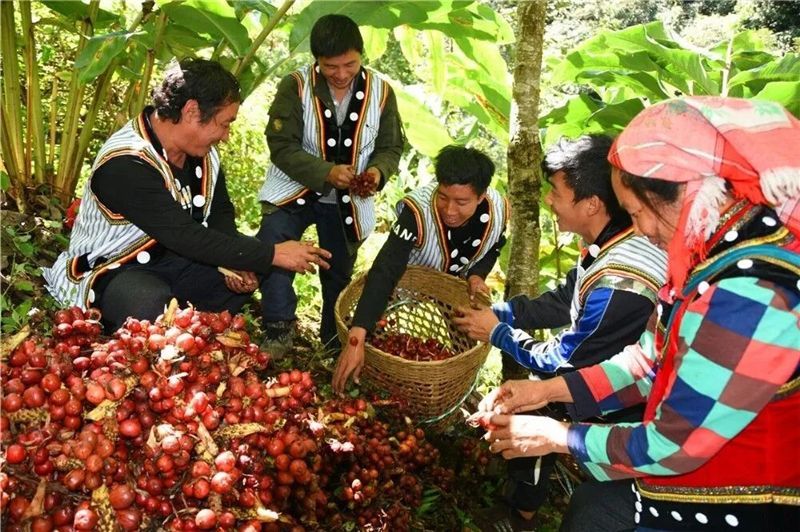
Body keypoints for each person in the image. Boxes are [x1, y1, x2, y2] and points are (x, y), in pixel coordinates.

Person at [476, 97, 800, 532]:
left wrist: (558, 437)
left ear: (686, 190)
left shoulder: (748, 295)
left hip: (742, 501)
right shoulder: (711, 248)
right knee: (591, 511)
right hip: (690, 480)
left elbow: (671, 444)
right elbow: (648, 359)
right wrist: (548, 391)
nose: (642, 230)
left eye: (636, 213)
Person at [453, 135, 667, 531]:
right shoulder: (612, 240)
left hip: (632, 400)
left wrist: (499, 334)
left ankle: (522, 516)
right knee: (537, 395)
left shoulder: (620, 284)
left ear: (591, 204)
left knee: (536, 406)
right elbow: (565, 299)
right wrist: (502, 313)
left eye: (556, 192)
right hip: (620, 370)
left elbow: (565, 360)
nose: (549, 201)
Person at [43, 59, 330, 331]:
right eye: (225, 123)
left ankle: (185, 324)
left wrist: (236, 264)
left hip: (177, 260)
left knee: (247, 272)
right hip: (114, 268)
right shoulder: (126, 161)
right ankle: (157, 323)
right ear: (192, 112)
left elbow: (220, 217)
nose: (226, 135)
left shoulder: (204, 155)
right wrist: (272, 254)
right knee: (148, 305)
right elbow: (184, 235)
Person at [256, 14, 404, 350]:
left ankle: (332, 339)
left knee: (338, 270)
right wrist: (325, 172)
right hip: (292, 189)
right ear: (317, 61)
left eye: (349, 65)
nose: (340, 74)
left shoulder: (381, 93)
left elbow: (391, 146)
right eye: (330, 66)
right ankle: (278, 327)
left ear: (362, 55)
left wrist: (377, 172)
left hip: (348, 201)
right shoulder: (294, 86)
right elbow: (281, 145)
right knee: (274, 246)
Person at [332, 145, 509, 393]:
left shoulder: (498, 211)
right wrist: (356, 337)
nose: (449, 210)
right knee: (371, 324)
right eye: (443, 196)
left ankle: (456, 390)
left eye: (461, 202)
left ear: (481, 197)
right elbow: (386, 269)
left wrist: (478, 274)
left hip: (453, 285)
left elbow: (495, 245)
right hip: (407, 280)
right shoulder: (417, 212)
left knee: (467, 343)